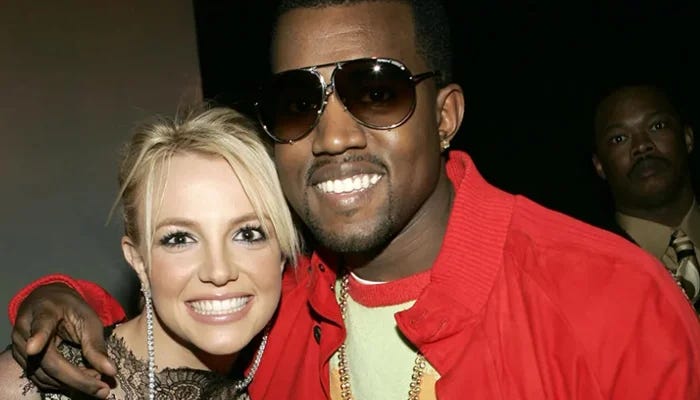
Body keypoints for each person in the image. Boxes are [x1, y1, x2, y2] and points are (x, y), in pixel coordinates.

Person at [8, 1, 700, 399]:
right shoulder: (281, 298)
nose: (334, 135)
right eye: (297, 101)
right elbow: (171, 322)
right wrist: (60, 300)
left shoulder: (614, 303)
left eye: (376, 91)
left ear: (445, 115)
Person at [0, 106, 300, 399]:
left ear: (282, 252)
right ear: (138, 260)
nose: (219, 271)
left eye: (248, 234)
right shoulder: (23, 388)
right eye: (180, 238)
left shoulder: (292, 369)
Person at [592, 84, 700, 310]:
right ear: (599, 165)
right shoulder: (590, 275)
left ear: (687, 138)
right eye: (619, 138)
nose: (641, 146)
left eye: (657, 126)